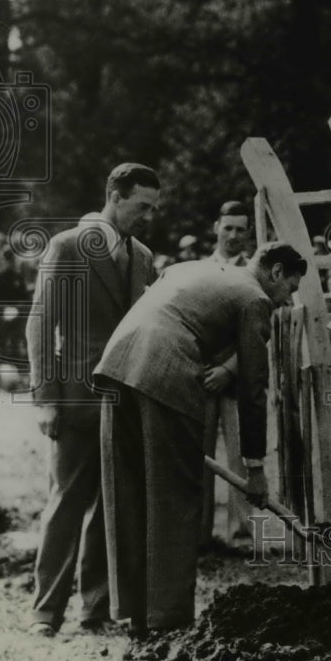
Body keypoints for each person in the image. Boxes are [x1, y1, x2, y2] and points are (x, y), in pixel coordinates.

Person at [95, 241, 306, 635]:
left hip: (117, 366)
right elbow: (253, 388)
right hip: (165, 375)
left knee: (132, 492)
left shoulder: (190, 267)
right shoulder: (255, 298)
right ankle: (170, 623)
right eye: (290, 290)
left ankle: (139, 616)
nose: (287, 302)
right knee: (175, 499)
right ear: (276, 272)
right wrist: (255, 467)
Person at [25, 163, 160, 636]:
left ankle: (95, 609)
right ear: (113, 195)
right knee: (67, 502)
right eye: (141, 205)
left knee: (112, 505)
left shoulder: (142, 256)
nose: (148, 216)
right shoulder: (67, 247)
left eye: (153, 208)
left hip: (124, 399)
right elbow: (41, 324)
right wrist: (45, 399)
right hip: (76, 398)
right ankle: (46, 612)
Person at [199, 201, 252, 547]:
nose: (233, 236)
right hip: (199, 376)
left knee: (240, 456)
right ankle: (198, 533)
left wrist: (229, 369)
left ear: (249, 233)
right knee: (197, 454)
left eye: (240, 229)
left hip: (239, 377)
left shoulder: (255, 273)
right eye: (227, 227)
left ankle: (241, 533)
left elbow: (262, 332)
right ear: (216, 227)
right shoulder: (196, 270)